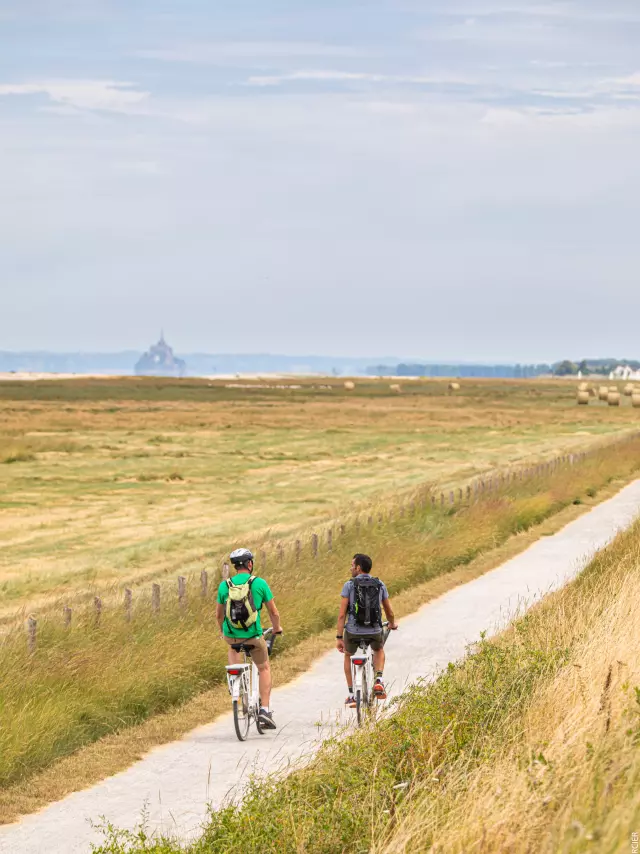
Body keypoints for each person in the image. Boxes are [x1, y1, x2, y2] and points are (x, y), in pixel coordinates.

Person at [216, 547, 282, 730]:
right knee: (264, 667)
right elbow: (274, 612)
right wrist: (277, 628)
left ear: (235, 566)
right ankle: (265, 711)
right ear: (250, 564)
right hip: (253, 636)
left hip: (232, 637)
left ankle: (234, 680)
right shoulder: (259, 583)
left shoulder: (224, 586)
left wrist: (223, 632)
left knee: (233, 649)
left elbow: (219, 616)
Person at [336, 553, 398, 706]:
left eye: (352, 565)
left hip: (352, 631)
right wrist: (392, 623)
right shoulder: (379, 584)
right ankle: (378, 680)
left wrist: (339, 637)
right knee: (378, 650)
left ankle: (352, 694)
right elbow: (389, 611)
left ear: (358, 568)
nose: (351, 568)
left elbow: (342, 614)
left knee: (347, 655)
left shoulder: (349, 585)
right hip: (374, 629)